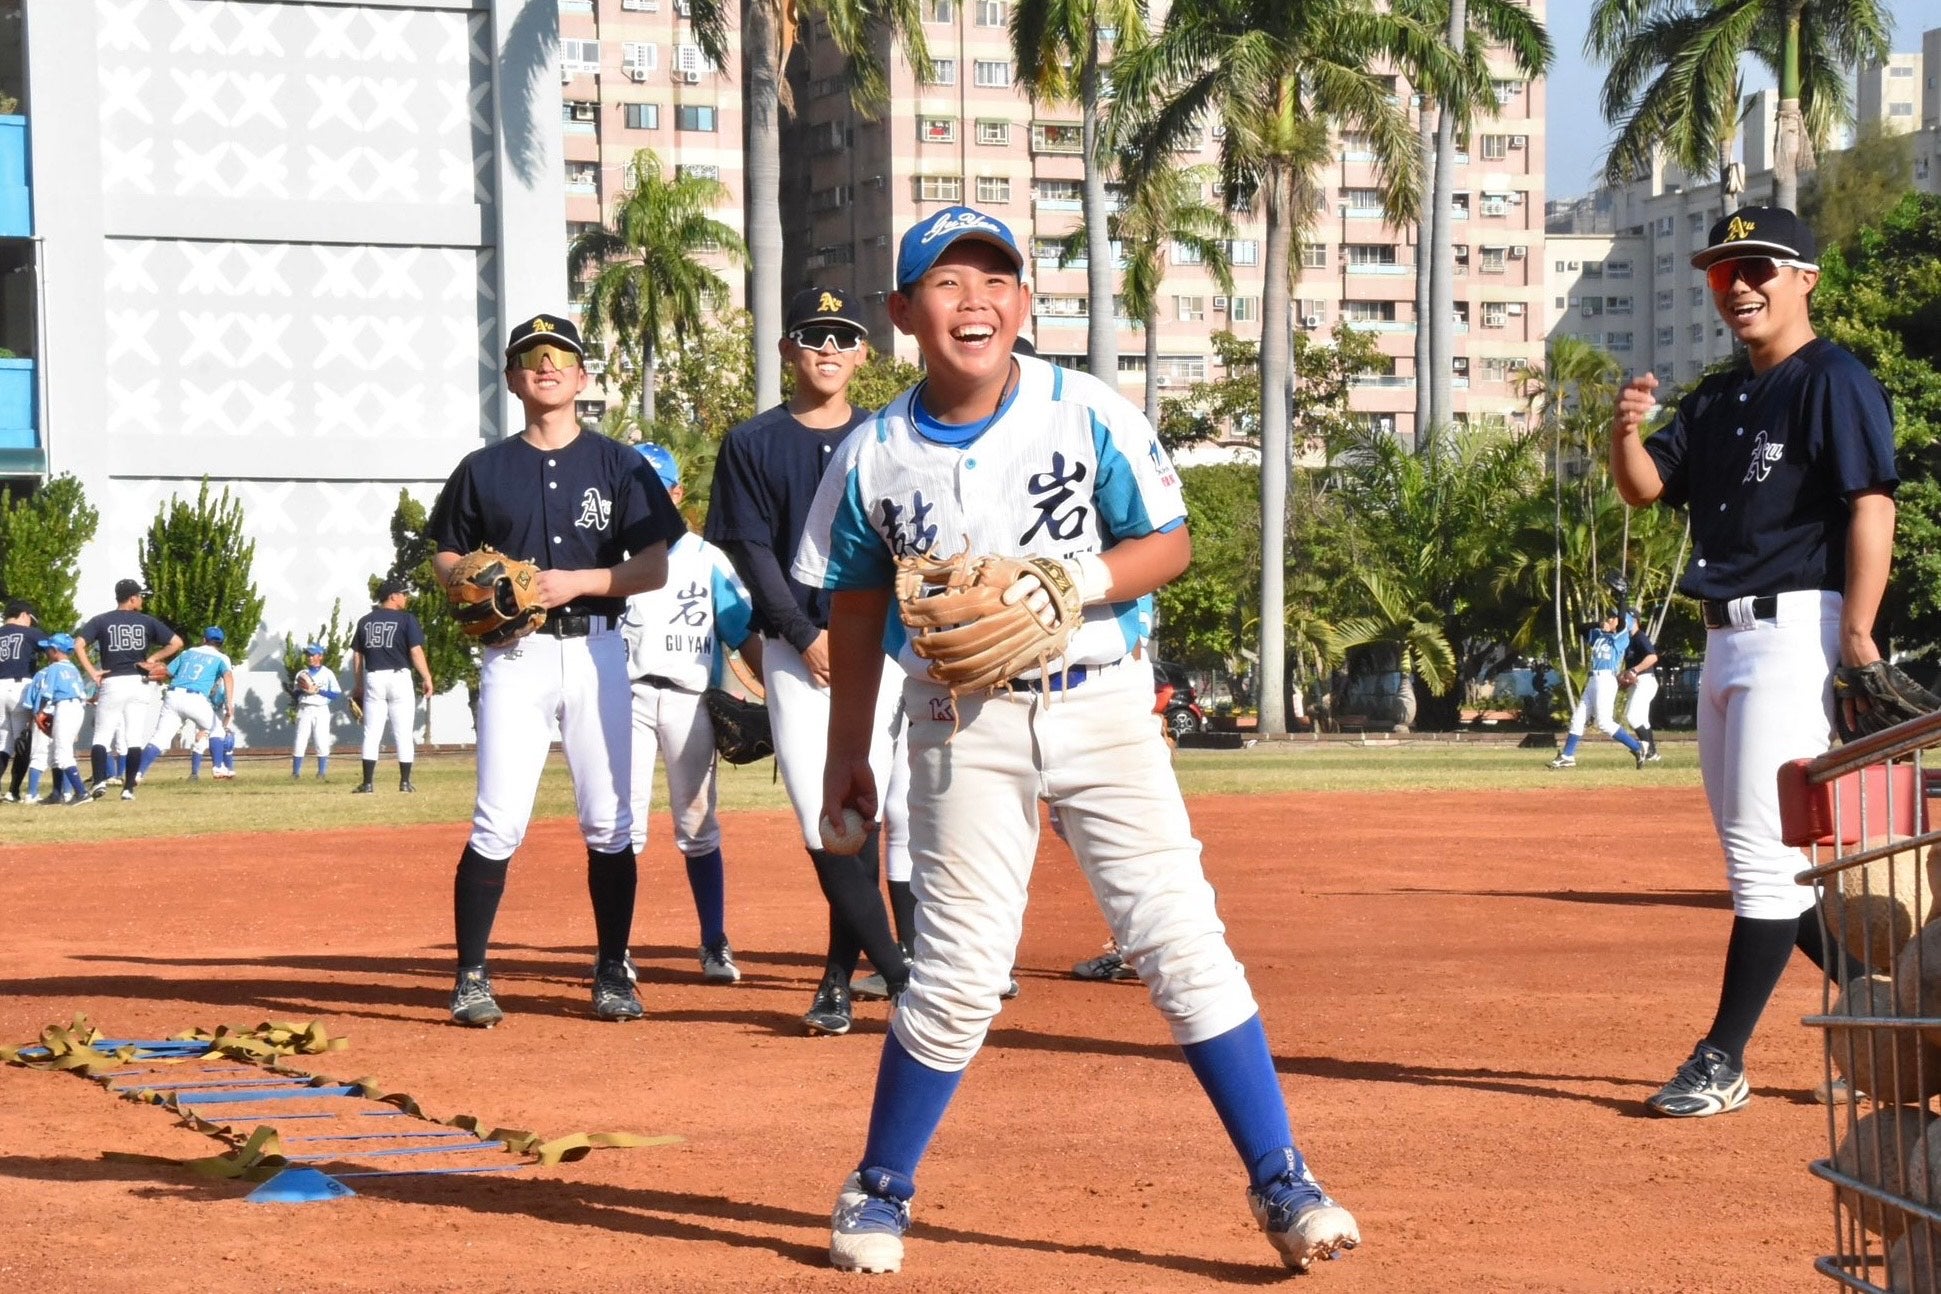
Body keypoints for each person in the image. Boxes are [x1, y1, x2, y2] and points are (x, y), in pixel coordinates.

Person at [794, 205, 1359, 1274]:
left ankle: (1283, 1177)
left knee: (1179, 938)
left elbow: (1169, 541)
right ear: (904, 312)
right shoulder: (873, 452)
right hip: (961, 721)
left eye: (996, 280)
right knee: (957, 971)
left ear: (1023, 300)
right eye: (948, 283)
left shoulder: (1080, 406)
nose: (976, 302)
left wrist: (1074, 577)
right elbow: (857, 608)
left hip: (1101, 702)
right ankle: (879, 1185)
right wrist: (845, 751)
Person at [1610, 206, 1898, 1118]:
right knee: (1765, 867)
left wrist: (1856, 634)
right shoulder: (1717, 397)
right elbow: (1647, 487)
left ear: (1803, 277)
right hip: (1724, 641)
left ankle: (1721, 1057)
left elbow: (1870, 504)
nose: (1737, 285)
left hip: (1796, 631)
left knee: (1759, 863)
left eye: (1756, 267)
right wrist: (1624, 429)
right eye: (1720, 272)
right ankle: (1887, 1016)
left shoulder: (1832, 378)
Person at [427, 312, 683, 1028]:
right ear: (513, 379)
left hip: (597, 647)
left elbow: (653, 564)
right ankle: (472, 977)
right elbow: (447, 551)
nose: (545, 366)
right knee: (497, 819)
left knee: (611, 820)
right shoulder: (484, 468)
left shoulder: (620, 464)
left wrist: (584, 582)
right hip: (515, 655)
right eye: (530, 358)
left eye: (559, 356)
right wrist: (467, 580)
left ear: (581, 377)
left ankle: (611, 972)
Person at [704, 285, 911, 1037]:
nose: (827, 350)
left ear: (863, 353)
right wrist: (798, 632)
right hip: (800, 652)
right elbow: (748, 547)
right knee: (822, 815)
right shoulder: (754, 443)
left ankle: (835, 979)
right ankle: (896, 972)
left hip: (881, 646)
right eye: (812, 337)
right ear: (788, 350)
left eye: (842, 338)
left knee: (866, 810)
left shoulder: (889, 437)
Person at [620, 442, 763, 985]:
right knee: (621, 828)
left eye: (658, 488)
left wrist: (776, 694)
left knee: (698, 825)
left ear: (677, 492)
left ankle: (714, 941)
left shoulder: (706, 559)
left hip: (687, 698)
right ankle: (617, 949)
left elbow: (741, 631)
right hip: (625, 699)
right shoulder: (611, 553)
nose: (648, 500)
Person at [72, 578, 182, 796]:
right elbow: (177, 642)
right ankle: (129, 789)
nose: (141, 600)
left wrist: (92, 671)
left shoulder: (101, 620)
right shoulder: (146, 621)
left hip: (113, 681)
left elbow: (79, 644)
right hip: (139, 682)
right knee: (134, 737)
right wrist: (153, 658)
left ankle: (99, 782)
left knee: (102, 736)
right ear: (132, 599)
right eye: (139, 596)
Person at [350, 579, 435, 794]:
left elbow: (357, 655)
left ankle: (368, 783)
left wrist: (358, 684)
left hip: (374, 678)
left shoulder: (365, 621)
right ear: (392, 596)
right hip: (399, 677)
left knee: (371, 733)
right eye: (403, 594)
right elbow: (415, 652)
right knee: (403, 732)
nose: (405, 597)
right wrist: (426, 677)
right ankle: (405, 783)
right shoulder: (407, 619)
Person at [128, 627, 235, 798]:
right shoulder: (221, 658)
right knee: (217, 730)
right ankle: (218, 767)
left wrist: (150, 674)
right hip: (196, 698)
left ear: (203, 639)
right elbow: (228, 677)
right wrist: (229, 702)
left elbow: (167, 673)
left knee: (160, 738)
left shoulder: (188, 653)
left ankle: (137, 773)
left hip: (173, 695)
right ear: (221, 643)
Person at [1546, 605, 1649, 769]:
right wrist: (1599, 624)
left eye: (1612, 617)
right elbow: (1581, 628)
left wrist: (1622, 596)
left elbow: (1621, 622)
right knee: (1578, 719)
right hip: (1593, 680)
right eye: (1609, 616)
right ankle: (1567, 756)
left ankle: (1638, 748)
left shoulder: (1622, 637)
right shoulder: (1599, 635)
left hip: (1606, 679)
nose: (1609, 619)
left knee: (1604, 723)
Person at [25, 633, 95, 806]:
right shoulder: (73, 668)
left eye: (48, 648)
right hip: (77, 708)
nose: (46, 651)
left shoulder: (54, 668)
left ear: (55, 650)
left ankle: (81, 792)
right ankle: (57, 794)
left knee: (63, 754)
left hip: (65, 707)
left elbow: (45, 694)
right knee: (58, 752)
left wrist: (39, 712)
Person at [0, 599, 38, 798]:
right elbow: (53, 651)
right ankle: (13, 791)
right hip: (19, 687)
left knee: (2, 742)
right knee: (22, 741)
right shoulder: (30, 633)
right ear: (24, 615)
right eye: (30, 619)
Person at [291, 644, 344, 780]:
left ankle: (321, 772)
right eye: (308, 654)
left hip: (321, 709)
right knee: (300, 740)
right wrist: (304, 690)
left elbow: (336, 694)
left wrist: (319, 691)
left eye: (312, 654)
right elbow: (295, 694)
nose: (309, 657)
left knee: (321, 740)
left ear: (320, 656)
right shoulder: (302, 674)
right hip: (305, 708)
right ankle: (296, 772)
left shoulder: (327, 673)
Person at [1619, 620, 1662, 762]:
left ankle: (1644, 748)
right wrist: (1626, 677)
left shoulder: (1639, 636)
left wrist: (1634, 670)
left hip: (1645, 680)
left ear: (1635, 621)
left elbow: (1652, 657)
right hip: (1638, 682)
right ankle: (1652, 753)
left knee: (1633, 717)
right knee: (1643, 720)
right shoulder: (1628, 639)